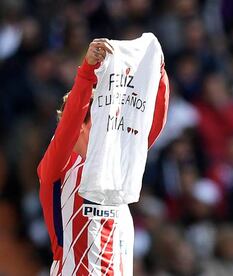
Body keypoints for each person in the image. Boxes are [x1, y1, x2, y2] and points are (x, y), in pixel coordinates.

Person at [37, 38, 169, 275]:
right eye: (101, 114)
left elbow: (151, 127)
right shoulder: (59, 167)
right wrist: (87, 71)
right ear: (82, 123)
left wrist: (159, 74)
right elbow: (69, 124)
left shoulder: (116, 164)